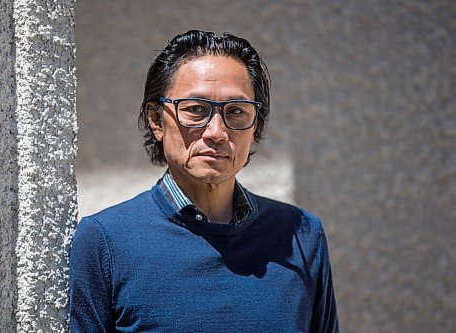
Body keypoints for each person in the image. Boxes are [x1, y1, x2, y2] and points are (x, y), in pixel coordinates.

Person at [69, 30, 339, 332]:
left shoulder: (301, 235)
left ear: (256, 126)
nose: (216, 132)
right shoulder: (105, 242)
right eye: (196, 110)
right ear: (157, 120)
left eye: (236, 111)